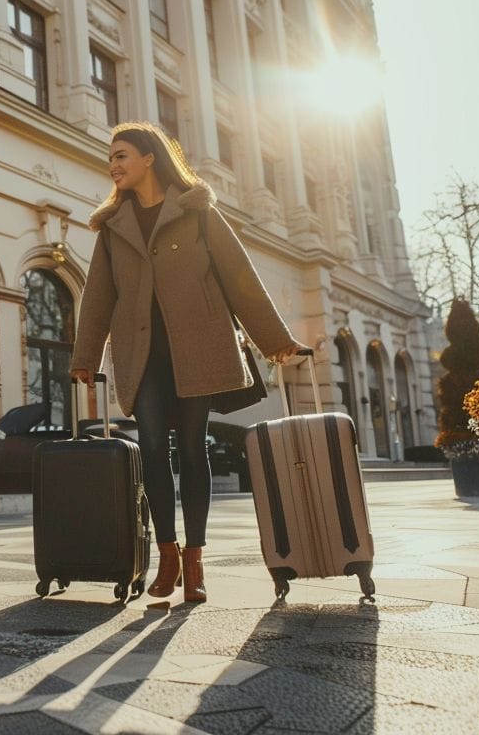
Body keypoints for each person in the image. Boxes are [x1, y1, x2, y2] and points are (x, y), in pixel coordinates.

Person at [70, 121, 304, 603]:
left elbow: (240, 277)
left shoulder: (198, 211)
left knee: (193, 449)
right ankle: (168, 553)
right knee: (153, 447)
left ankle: (195, 561)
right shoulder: (112, 227)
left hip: (198, 345)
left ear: (149, 157)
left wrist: (274, 339)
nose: (112, 166)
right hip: (142, 351)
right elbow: (98, 296)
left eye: (121, 156)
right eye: (110, 159)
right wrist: (84, 357)